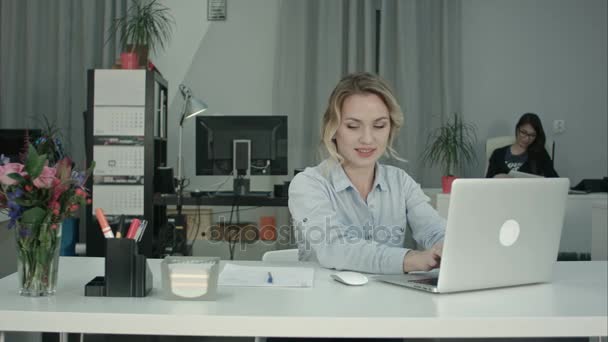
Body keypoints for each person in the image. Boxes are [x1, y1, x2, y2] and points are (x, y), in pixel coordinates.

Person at [288, 72, 445, 275]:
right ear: (333, 129)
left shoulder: (401, 182)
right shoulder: (308, 184)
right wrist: (410, 259)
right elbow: (335, 248)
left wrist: (446, 247)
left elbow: (433, 230)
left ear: (391, 128)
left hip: (388, 301)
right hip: (326, 301)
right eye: (353, 126)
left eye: (379, 125)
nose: (368, 139)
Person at [486, 113, 559, 178]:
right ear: (517, 129)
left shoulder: (540, 153)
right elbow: (486, 184)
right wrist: (496, 177)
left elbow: (555, 180)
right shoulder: (498, 154)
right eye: (523, 132)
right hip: (501, 192)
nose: (527, 139)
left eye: (532, 135)